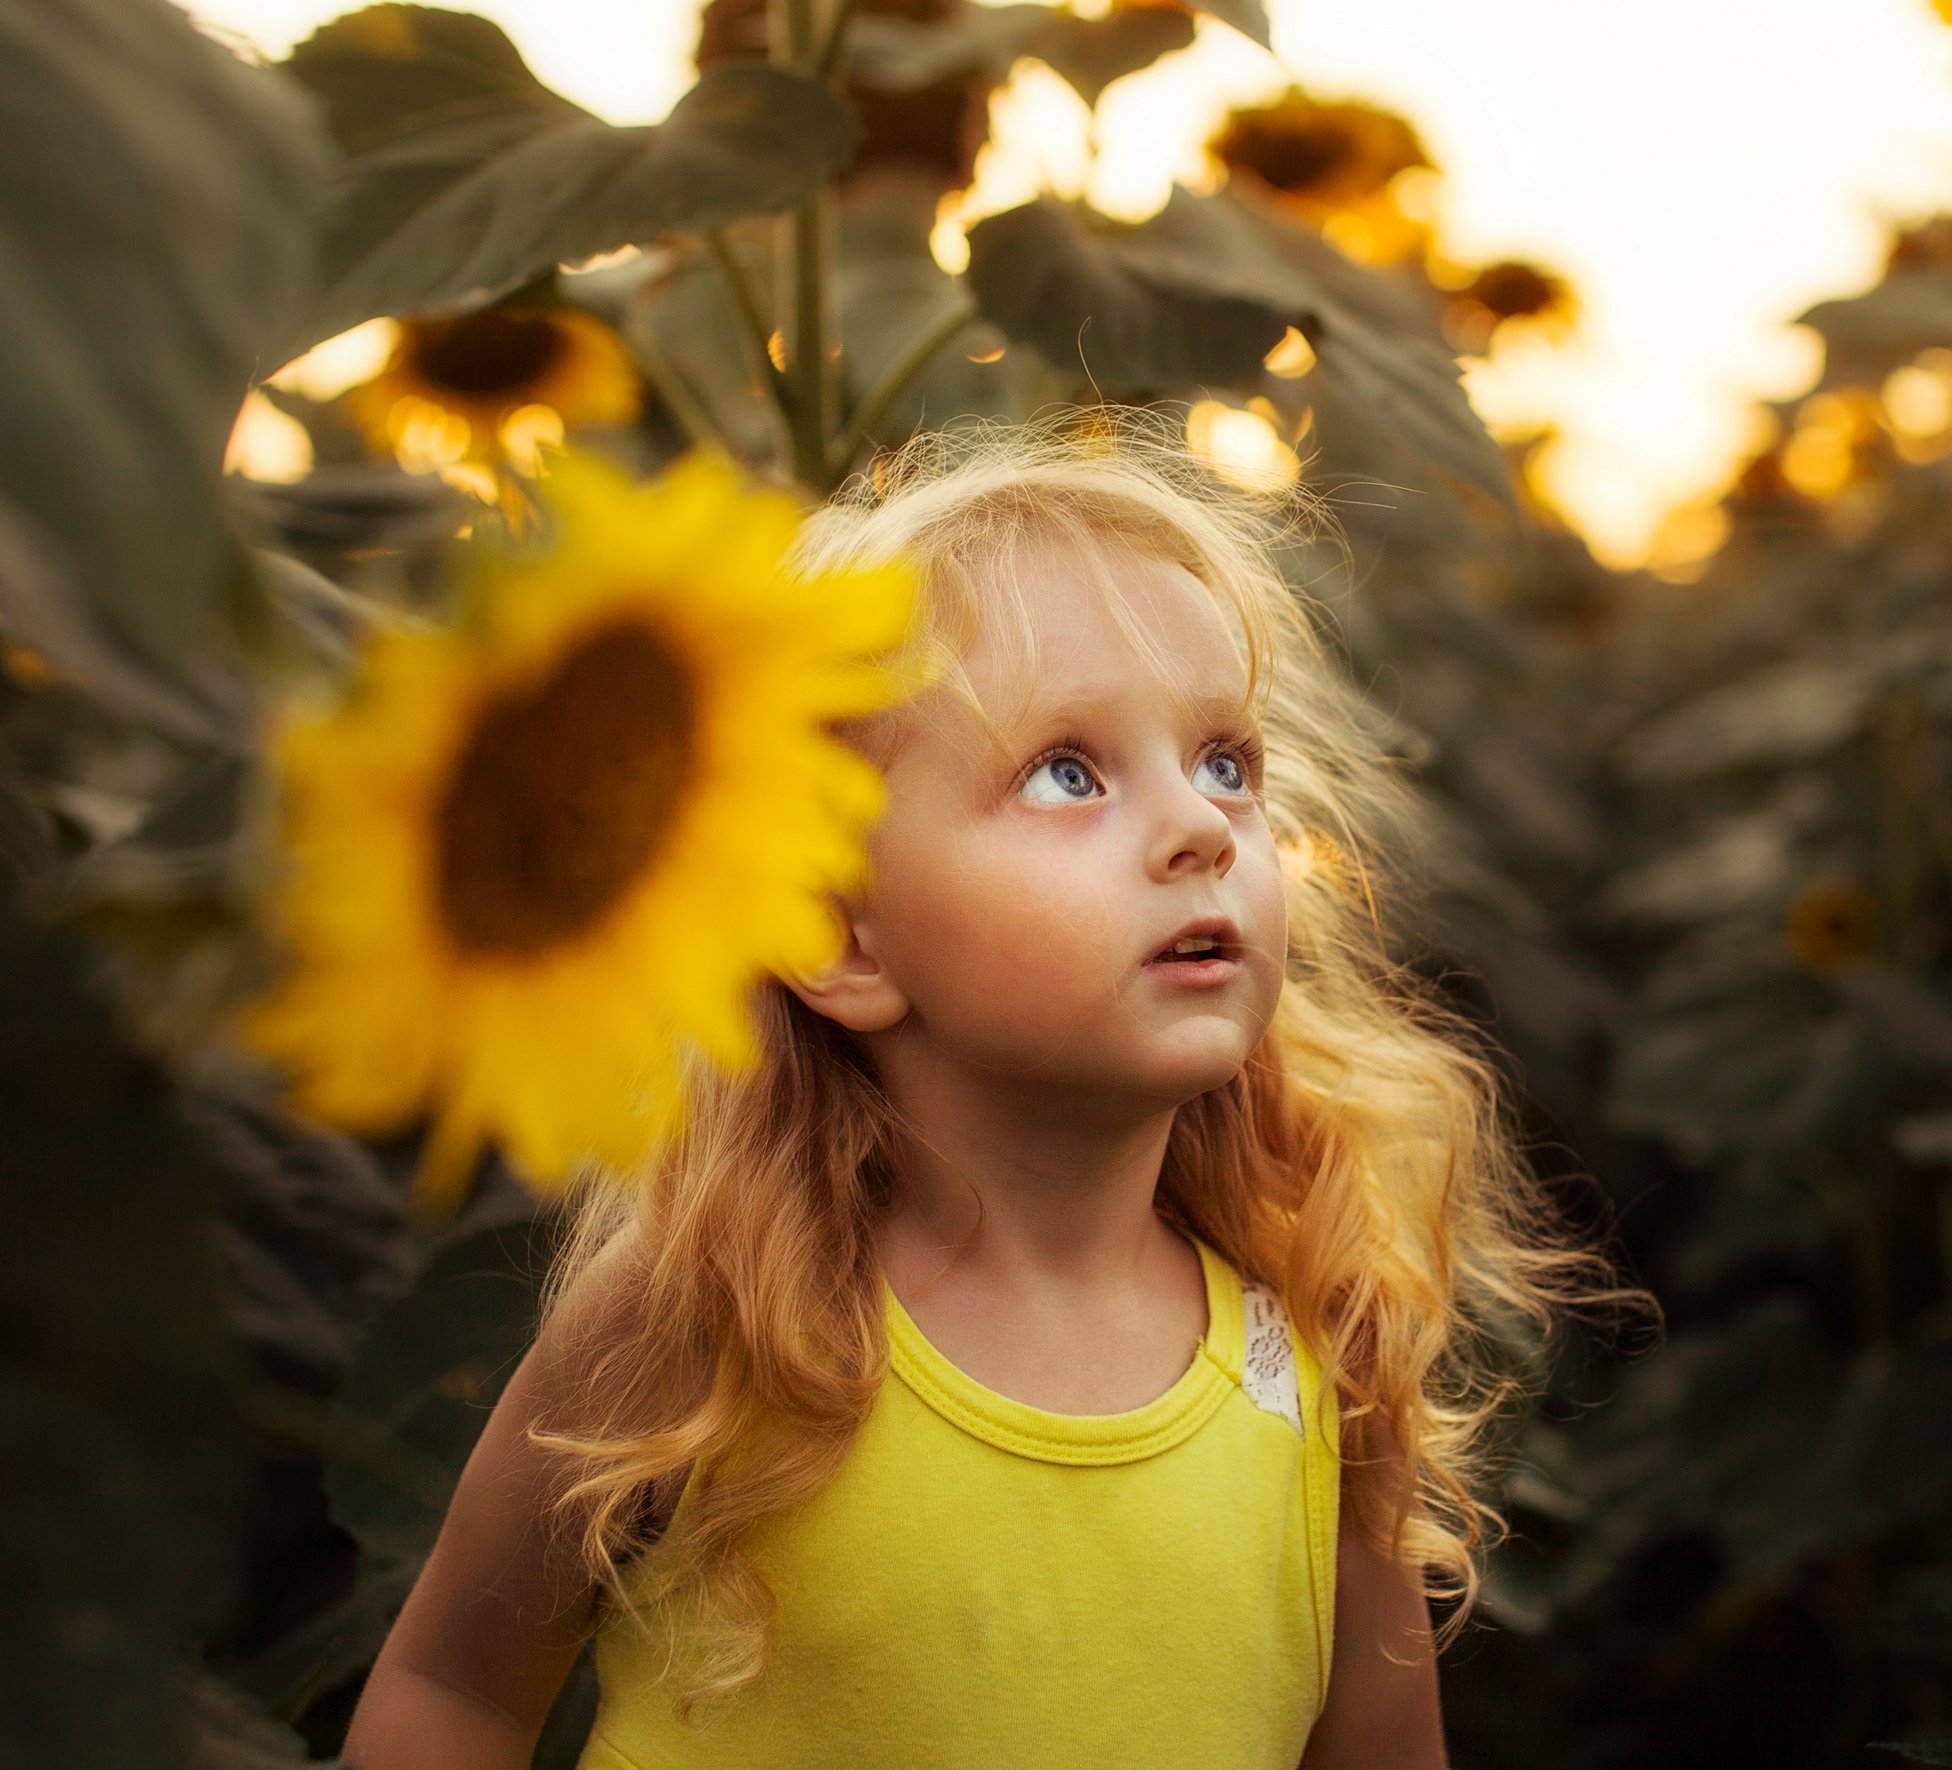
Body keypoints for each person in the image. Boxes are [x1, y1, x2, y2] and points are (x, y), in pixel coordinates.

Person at [338, 416, 1610, 1770]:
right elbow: (456, 1685)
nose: (1200, 826)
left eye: (1226, 762)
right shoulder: (720, 1312)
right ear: (842, 934)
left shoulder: (1316, 1354)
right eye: (1068, 772)